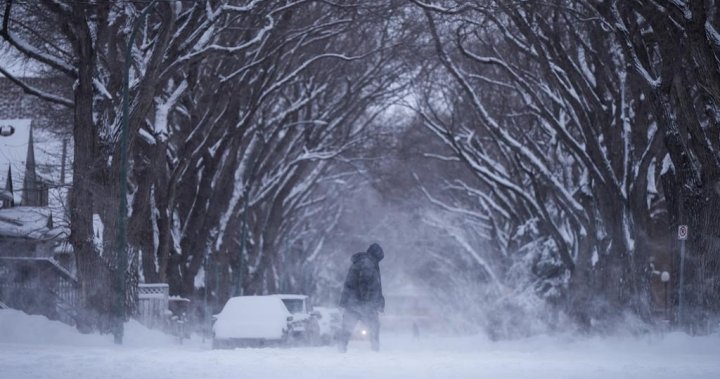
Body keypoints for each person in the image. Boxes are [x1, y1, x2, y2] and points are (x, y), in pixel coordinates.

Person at [337, 242, 385, 352]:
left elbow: (350, 285)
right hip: (361, 304)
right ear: (376, 255)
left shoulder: (361, 262)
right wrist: (367, 303)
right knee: (374, 326)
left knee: (347, 327)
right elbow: (365, 283)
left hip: (352, 303)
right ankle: (375, 348)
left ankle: (341, 347)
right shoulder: (367, 263)